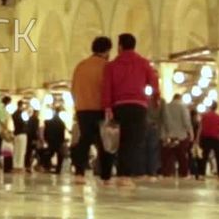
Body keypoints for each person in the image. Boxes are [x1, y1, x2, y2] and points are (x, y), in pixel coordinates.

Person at [101, 34, 159, 187]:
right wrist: (155, 98)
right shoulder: (144, 63)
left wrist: (107, 107)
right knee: (135, 141)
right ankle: (126, 176)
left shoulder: (111, 66)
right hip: (139, 106)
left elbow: (106, 88)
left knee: (121, 140)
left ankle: (121, 173)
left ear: (120, 46)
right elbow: (154, 83)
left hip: (119, 106)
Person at [71, 36, 112, 180]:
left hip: (83, 109)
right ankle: (106, 175)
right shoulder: (107, 66)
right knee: (104, 143)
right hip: (100, 109)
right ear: (107, 50)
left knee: (85, 140)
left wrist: (77, 106)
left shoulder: (81, 66)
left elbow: (73, 89)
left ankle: (79, 172)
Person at [160, 93, 192, 177]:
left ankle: (167, 173)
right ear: (180, 98)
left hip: (168, 135)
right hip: (180, 135)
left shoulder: (166, 106)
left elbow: (162, 120)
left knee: (168, 157)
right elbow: (186, 121)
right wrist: (190, 131)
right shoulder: (182, 106)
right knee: (181, 156)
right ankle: (183, 173)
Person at [199, 103, 219, 179]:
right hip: (216, 138)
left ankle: (202, 174)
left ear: (210, 107)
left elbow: (200, 128)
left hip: (205, 137)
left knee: (204, 156)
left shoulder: (204, 116)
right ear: (216, 108)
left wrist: (197, 139)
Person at [42, 108, 67, 173]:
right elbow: (62, 133)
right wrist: (63, 140)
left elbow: (46, 131)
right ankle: (58, 169)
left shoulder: (49, 122)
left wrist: (46, 138)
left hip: (51, 140)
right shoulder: (61, 122)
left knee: (49, 153)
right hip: (58, 140)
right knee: (59, 155)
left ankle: (46, 165)